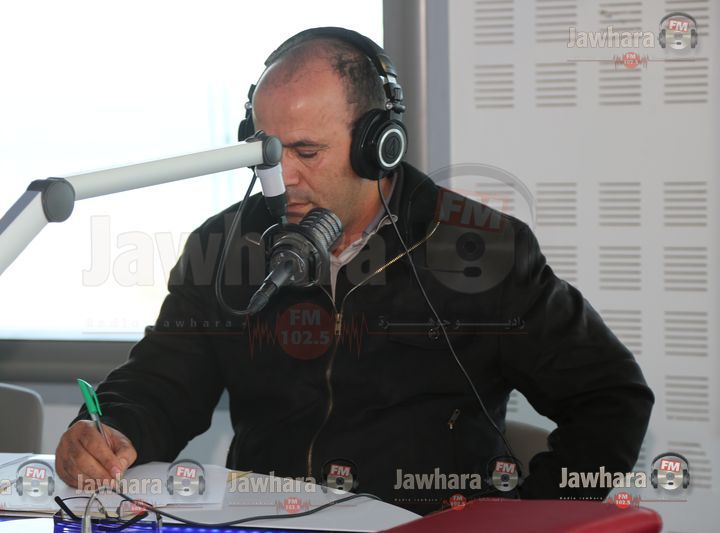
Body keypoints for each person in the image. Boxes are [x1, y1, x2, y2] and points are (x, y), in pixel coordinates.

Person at [55, 27, 654, 514]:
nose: (282, 176)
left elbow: (611, 398)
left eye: (306, 152)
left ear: (378, 146)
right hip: (266, 521)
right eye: (265, 152)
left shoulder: (481, 250)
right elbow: (162, 381)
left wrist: (530, 517)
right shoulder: (226, 244)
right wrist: (112, 430)